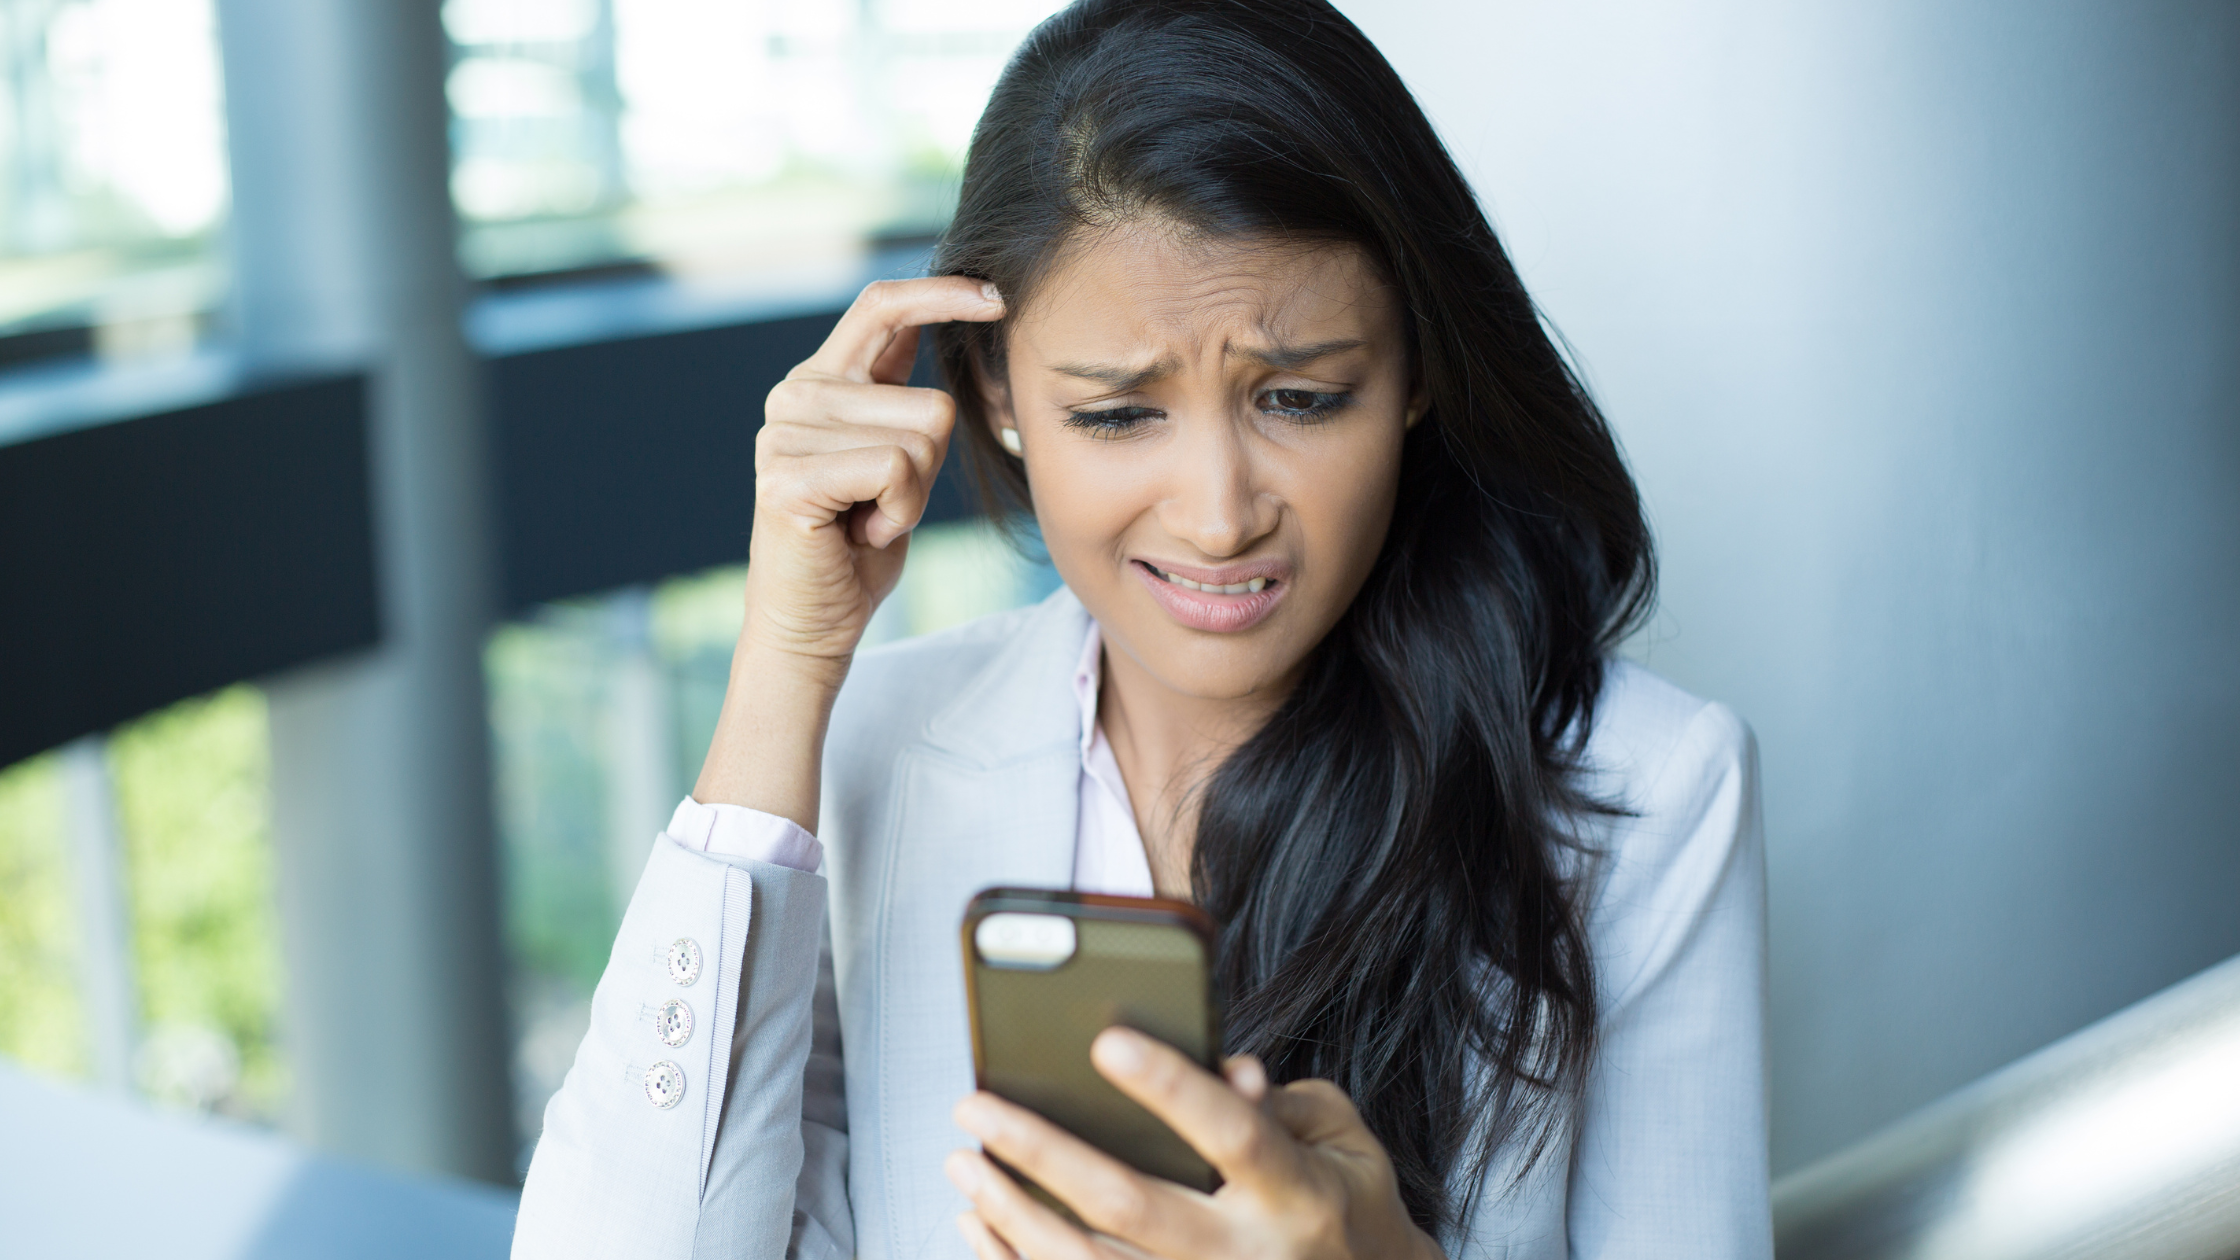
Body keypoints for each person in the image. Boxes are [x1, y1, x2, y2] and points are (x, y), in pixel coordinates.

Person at [512, 1, 1769, 1256]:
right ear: (998, 391)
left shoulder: (1641, 796)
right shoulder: (872, 749)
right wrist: (786, 664)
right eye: (1118, 416)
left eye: (1301, 397)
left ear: (1415, 374)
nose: (1219, 517)